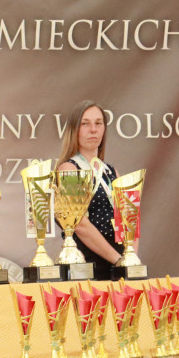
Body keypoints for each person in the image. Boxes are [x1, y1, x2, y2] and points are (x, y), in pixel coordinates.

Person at [55, 100, 136, 281]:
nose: (93, 129)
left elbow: (130, 221)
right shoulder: (69, 169)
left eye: (98, 123)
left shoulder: (112, 172)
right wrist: (119, 261)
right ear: (74, 130)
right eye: (85, 124)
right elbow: (80, 224)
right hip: (88, 268)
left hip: (120, 265)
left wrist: (131, 259)